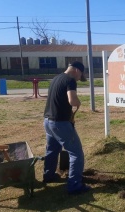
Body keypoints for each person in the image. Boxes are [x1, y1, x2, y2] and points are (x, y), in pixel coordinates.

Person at [43, 61, 91, 194]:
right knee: (76, 153)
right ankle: (75, 185)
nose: (78, 79)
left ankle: (49, 176)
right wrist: (78, 102)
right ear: (76, 70)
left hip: (48, 121)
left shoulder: (56, 78)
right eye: (79, 76)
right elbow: (72, 100)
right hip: (60, 124)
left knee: (52, 149)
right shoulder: (70, 80)